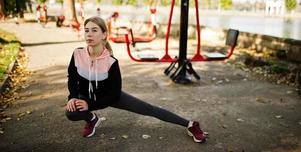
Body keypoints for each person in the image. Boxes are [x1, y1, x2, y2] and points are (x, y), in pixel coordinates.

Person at [65, 16, 207, 143]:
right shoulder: (77, 53)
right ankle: (91, 119)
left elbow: (113, 94)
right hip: (85, 97)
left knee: (148, 109)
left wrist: (89, 105)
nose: (89, 34)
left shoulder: (111, 62)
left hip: (108, 96)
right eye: (86, 30)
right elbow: (72, 78)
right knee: (71, 112)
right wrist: (72, 97)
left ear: (104, 35)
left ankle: (190, 124)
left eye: (94, 30)